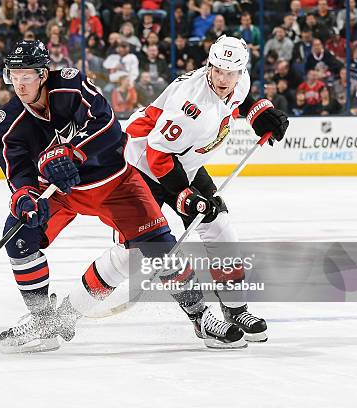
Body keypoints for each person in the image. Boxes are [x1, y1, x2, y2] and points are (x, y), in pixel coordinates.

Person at [0, 40, 247, 354]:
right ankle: (44, 320)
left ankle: (202, 318)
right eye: (13, 76)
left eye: (27, 75)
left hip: (115, 183)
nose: (19, 83)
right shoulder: (6, 124)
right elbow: (17, 173)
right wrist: (25, 198)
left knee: (161, 249)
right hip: (59, 193)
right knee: (18, 239)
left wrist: (72, 154)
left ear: (43, 74)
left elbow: (110, 128)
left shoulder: (72, 86)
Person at [123, 36, 290, 342]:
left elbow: (241, 101)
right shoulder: (190, 103)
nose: (224, 78)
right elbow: (157, 154)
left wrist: (260, 114)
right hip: (141, 168)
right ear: (209, 66)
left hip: (183, 163)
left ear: (241, 71)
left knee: (220, 228)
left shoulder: (238, 82)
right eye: (218, 71)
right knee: (143, 252)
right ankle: (199, 317)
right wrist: (184, 195)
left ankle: (235, 309)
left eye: (231, 72)